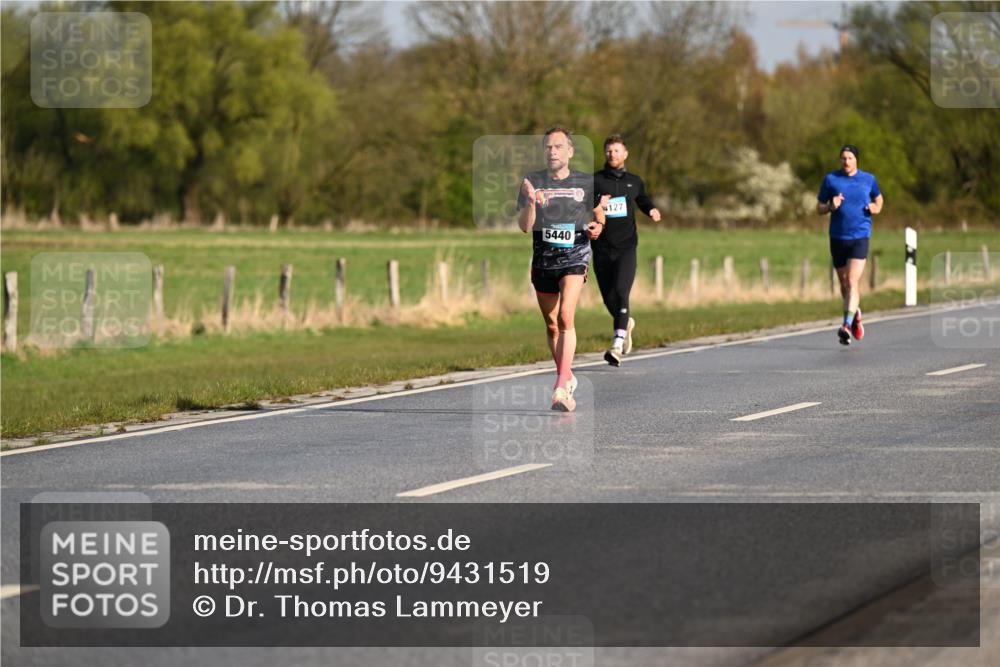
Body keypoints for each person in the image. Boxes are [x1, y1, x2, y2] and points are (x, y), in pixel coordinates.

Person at [518, 127, 605, 411]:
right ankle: (566, 376)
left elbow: (599, 213)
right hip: (543, 260)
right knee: (552, 324)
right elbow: (524, 226)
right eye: (548, 147)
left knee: (567, 315)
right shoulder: (532, 181)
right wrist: (531, 202)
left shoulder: (586, 182)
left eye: (558, 147)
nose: (552, 151)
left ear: (570, 151)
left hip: (575, 256)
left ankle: (560, 387)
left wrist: (598, 227)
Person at [592, 134, 661, 366]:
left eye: (617, 150)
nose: (612, 154)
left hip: (626, 247)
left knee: (622, 292)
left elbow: (642, 199)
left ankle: (617, 344)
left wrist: (651, 210)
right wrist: (597, 204)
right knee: (608, 298)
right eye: (609, 151)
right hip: (601, 247)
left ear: (625, 154)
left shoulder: (634, 181)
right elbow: (582, 205)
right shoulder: (595, 180)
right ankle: (626, 321)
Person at [816, 144, 884, 345]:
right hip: (837, 237)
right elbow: (819, 208)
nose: (846, 161)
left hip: (860, 236)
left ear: (856, 160)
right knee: (844, 284)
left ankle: (845, 325)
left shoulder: (868, 179)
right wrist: (831, 205)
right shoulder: (831, 179)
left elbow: (879, 200)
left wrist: (874, 208)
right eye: (843, 158)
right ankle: (855, 315)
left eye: (850, 158)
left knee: (853, 281)